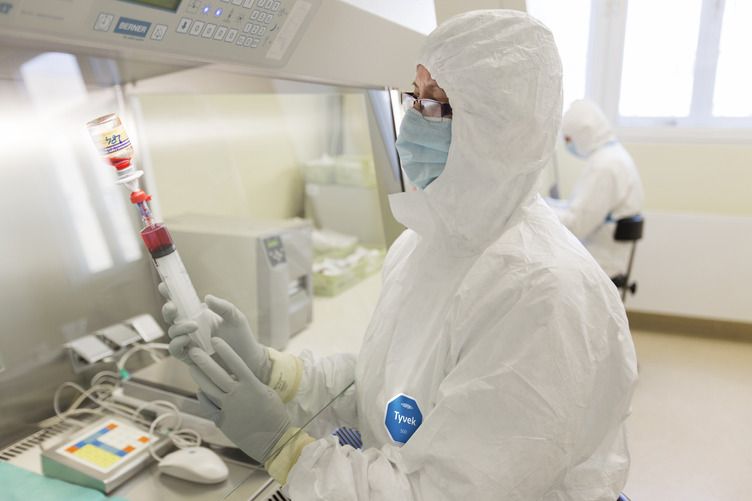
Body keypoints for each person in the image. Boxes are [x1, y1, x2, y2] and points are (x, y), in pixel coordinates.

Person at [162, 10, 638, 500]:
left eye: (436, 103)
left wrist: (283, 448)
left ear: (503, 128)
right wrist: (276, 373)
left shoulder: (543, 294)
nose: (411, 121)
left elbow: (435, 494)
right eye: (414, 95)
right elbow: (389, 385)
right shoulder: (425, 243)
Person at [548, 99, 644, 279]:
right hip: (607, 256)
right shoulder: (614, 156)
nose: (568, 144)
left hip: (600, 263)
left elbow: (577, 225)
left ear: (584, 134)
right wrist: (550, 205)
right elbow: (580, 209)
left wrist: (541, 211)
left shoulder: (605, 166)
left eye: (568, 139)